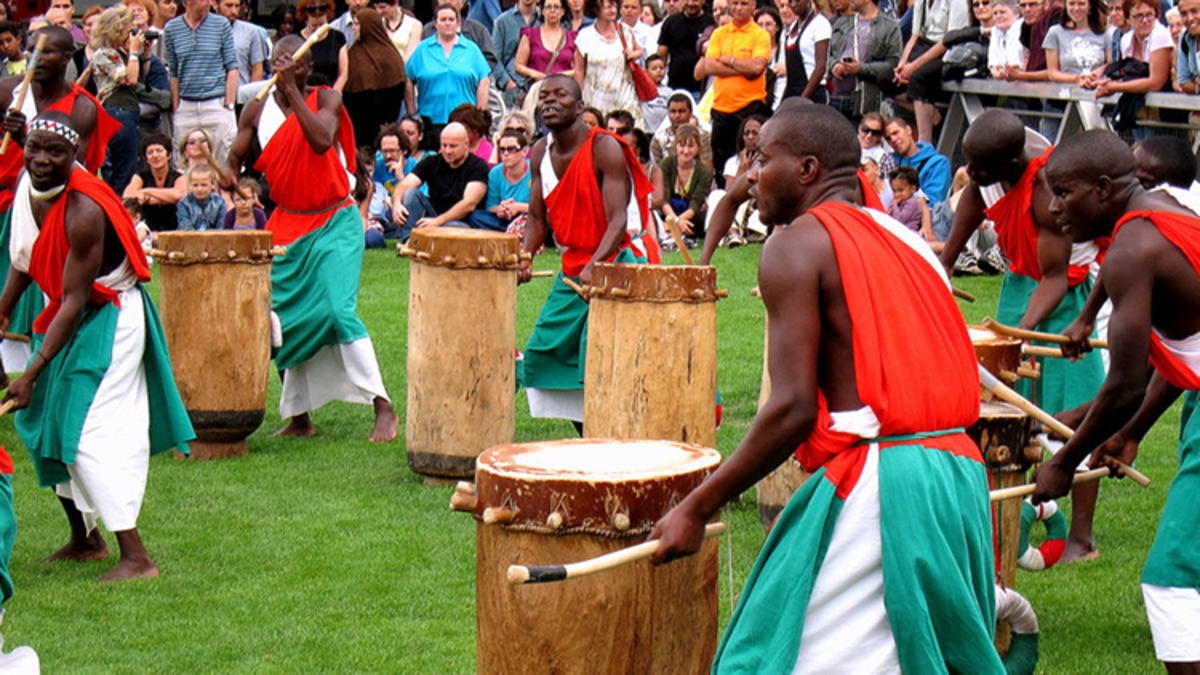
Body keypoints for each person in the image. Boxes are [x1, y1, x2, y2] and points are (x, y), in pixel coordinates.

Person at [648, 104, 1001, 673]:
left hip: (887, 485)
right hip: (958, 473)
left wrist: (697, 504)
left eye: (762, 158)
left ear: (808, 169)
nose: (749, 174)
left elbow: (789, 409)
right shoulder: (908, 242)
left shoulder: (792, 246)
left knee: (783, 656)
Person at [0, 111, 194, 582]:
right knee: (41, 420)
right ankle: (85, 538)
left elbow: (74, 299)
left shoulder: (85, 208)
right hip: (69, 317)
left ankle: (137, 556)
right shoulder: (30, 189)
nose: (43, 160)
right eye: (36, 149)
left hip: (109, 317)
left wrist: (30, 372)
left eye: (56, 153)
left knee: (85, 431)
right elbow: (27, 260)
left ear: (78, 158)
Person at [1033, 129, 1200, 673]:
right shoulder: (1163, 214)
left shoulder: (1136, 246)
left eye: (1063, 192)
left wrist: (1064, 461)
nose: (1054, 207)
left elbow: (1125, 383)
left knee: (1173, 580)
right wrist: (1131, 433)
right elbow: (1183, 360)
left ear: (1103, 189)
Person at [939, 110, 1106, 561]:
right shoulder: (987, 163)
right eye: (969, 164)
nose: (971, 174)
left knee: (1069, 418)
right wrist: (947, 259)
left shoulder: (1046, 187)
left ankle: (1081, 537)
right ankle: (1006, 517)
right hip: (1019, 280)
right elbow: (977, 194)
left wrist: (1020, 333)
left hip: (1066, 294)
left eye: (982, 168)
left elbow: (1054, 276)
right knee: (1004, 403)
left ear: (1013, 164)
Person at [228, 36, 398, 442]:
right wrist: (230, 178)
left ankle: (383, 406)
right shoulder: (256, 108)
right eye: (278, 62)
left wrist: (290, 91)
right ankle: (300, 417)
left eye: (294, 61)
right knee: (278, 320)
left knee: (339, 311)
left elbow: (321, 140)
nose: (285, 67)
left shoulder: (328, 99)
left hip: (335, 218)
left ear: (306, 66)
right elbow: (235, 157)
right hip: (286, 223)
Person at [517, 74, 656, 428]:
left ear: (580, 107)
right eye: (543, 96)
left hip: (616, 263)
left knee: (600, 359)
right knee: (543, 353)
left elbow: (618, 220)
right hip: (572, 269)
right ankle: (589, 437)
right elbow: (536, 217)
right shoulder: (539, 153)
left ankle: (615, 438)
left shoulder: (604, 147)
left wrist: (597, 264)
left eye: (560, 95)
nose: (549, 101)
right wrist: (525, 254)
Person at [0, 26, 120, 373]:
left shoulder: (83, 106)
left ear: (68, 58)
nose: (37, 59)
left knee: (58, 286)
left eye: (48, 52)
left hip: (65, 209)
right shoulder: (9, 92)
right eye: (33, 50)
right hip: (15, 201)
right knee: (18, 268)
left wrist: (24, 138)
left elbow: (65, 170)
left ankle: (48, 363)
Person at [696, 0, 771, 189]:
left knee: (753, 160)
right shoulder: (719, 33)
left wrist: (727, 59)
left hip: (750, 109)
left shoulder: (760, 35)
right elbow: (709, 65)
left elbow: (756, 68)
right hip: (721, 109)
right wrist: (742, 66)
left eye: (743, 3)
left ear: (753, 7)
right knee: (722, 165)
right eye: (734, 3)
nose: (738, 8)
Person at [164, 0, 238, 162]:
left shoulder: (221, 24)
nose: (210, 2)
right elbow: (173, 72)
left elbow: (232, 67)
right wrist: (177, 106)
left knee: (223, 160)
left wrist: (229, 105)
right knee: (183, 161)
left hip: (216, 103)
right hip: (186, 106)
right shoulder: (172, 29)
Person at [390, 122, 490, 235]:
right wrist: (396, 204)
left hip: (458, 221)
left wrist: (437, 221)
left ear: (466, 144)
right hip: (432, 215)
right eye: (444, 145)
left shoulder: (478, 167)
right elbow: (404, 185)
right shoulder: (432, 162)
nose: (447, 151)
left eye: (453, 146)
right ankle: (409, 238)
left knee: (456, 229)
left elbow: (469, 204)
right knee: (410, 193)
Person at [893, 0, 972, 143]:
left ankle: (925, 143)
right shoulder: (920, 2)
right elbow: (914, 36)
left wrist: (913, 66)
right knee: (886, 77)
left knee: (919, 77)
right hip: (923, 46)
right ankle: (932, 114)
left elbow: (949, 41)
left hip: (949, 52)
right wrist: (902, 64)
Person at [89, 5, 145, 196]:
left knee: (127, 166)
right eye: (129, 30)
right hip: (117, 112)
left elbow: (140, 76)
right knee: (122, 170)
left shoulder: (120, 54)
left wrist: (140, 53)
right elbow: (130, 78)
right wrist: (134, 53)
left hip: (127, 111)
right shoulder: (105, 54)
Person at [407, 4, 491, 126]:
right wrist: (412, 112)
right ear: (435, 24)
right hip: (430, 121)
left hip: (465, 121)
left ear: (458, 24)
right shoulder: (422, 49)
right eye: (443, 19)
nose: (447, 23)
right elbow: (408, 77)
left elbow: (484, 80)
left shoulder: (472, 49)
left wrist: (480, 115)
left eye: (451, 20)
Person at [827, 0, 902, 121]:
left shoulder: (889, 26)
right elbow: (827, 55)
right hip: (836, 98)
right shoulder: (841, 23)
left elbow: (893, 66)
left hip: (866, 102)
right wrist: (834, 65)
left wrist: (860, 69)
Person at [343, 8, 409, 145]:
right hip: (356, 130)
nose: (354, 28)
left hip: (385, 131)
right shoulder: (352, 54)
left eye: (357, 24)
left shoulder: (390, 57)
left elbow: (396, 90)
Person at [574, 0, 644, 129]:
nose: (612, 11)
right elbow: (579, 69)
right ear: (596, 10)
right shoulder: (585, 36)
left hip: (624, 97)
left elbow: (639, 49)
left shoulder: (625, 31)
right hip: (596, 99)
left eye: (613, 6)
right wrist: (578, 98)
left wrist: (634, 54)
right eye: (607, 8)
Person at [514, 0, 576, 121]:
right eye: (548, 7)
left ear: (563, 11)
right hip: (538, 93)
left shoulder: (572, 37)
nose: (552, 10)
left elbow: (579, 68)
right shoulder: (530, 34)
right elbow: (518, 65)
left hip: (564, 92)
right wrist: (535, 74)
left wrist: (560, 75)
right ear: (542, 10)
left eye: (556, 7)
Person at [652, 124, 713, 242]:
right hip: (667, 212)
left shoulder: (703, 171)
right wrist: (676, 221)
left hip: (690, 215)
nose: (685, 151)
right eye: (682, 145)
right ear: (676, 146)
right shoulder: (666, 164)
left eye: (691, 146)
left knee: (705, 218)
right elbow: (663, 199)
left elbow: (696, 204)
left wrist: (676, 223)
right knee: (653, 213)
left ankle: (671, 231)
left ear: (698, 149)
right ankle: (672, 230)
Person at [123, 133, 185, 232]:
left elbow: (178, 195)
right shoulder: (140, 176)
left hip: (176, 227)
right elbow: (128, 196)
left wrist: (146, 192)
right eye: (150, 152)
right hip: (146, 228)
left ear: (168, 155)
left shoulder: (178, 176)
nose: (155, 155)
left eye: (159, 151)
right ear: (146, 158)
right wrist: (166, 198)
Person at [884, 116, 950, 204]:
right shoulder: (889, 162)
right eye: (888, 138)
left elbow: (934, 203)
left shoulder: (939, 163)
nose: (893, 139)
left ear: (908, 130)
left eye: (896, 133)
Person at [656, 0, 712, 96]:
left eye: (695, 1)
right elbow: (661, 56)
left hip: (701, 90)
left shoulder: (710, 23)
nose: (690, 3)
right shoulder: (670, 22)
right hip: (674, 88)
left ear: (703, 1)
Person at [781, 0, 831, 104]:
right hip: (793, 91)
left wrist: (803, 99)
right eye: (790, 1)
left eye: (797, 1)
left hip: (813, 91)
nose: (794, 5)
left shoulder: (820, 23)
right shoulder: (793, 26)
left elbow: (820, 67)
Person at [480, 128, 531, 231]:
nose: (506, 154)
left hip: (529, 216)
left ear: (524, 151)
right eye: (502, 150)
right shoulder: (495, 173)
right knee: (476, 216)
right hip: (503, 219)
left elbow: (545, 207)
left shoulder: (536, 169)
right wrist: (501, 209)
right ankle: (513, 230)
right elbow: (491, 206)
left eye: (511, 149)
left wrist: (519, 207)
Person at [492, 0, 540, 108]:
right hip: (513, 86)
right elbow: (494, 58)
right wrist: (507, 83)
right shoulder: (502, 21)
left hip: (539, 85)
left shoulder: (545, 19)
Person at [296, 0, 349, 90]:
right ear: (305, 19)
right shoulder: (297, 40)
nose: (318, 30)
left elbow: (343, 74)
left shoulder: (338, 37)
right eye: (313, 26)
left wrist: (333, 95)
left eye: (321, 25)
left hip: (331, 92)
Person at [650, 92, 712, 165]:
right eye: (673, 111)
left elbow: (707, 169)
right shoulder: (659, 138)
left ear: (691, 113)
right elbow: (657, 169)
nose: (677, 116)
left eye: (682, 111)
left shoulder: (704, 136)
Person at [218, 0, 269, 88]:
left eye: (237, 6)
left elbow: (257, 69)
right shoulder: (203, 30)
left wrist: (251, 96)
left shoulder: (251, 32)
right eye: (229, 6)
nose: (234, 11)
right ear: (215, 4)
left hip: (241, 92)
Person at [176, 163, 226, 230]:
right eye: (195, 185)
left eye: (204, 185)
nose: (199, 189)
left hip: (213, 238)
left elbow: (221, 227)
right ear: (190, 185)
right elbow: (185, 227)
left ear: (213, 184)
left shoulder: (219, 203)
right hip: (189, 238)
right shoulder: (184, 204)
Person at [888, 164, 932, 236]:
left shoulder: (912, 203)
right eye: (894, 191)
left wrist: (894, 204)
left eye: (901, 190)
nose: (897, 194)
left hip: (908, 234)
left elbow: (900, 219)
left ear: (913, 189)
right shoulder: (900, 203)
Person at [1175, 0, 1200, 92]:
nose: (1189, 18)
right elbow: (1183, 82)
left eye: (1195, 11)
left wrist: (1196, 82)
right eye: (1184, 14)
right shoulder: (1185, 38)